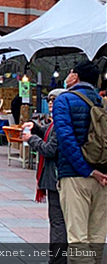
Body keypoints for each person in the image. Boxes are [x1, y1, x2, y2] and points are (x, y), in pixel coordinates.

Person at [52, 60, 107, 264]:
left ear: (75, 77)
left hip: (75, 175)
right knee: (97, 237)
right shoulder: (101, 102)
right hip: (103, 176)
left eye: (69, 72)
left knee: (77, 239)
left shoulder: (64, 100)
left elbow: (65, 139)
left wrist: (86, 170)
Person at [21, 89, 67, 264]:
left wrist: (31, 139)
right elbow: (47, 133)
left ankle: (57, 260)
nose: (50, 103)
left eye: (54, 100)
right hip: (57, 177)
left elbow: (50, 149)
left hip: (56, 177)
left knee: (58, 222)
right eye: (49, 100)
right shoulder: (58, 123)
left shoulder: (61, 123)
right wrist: (37, 128)